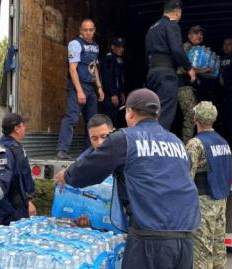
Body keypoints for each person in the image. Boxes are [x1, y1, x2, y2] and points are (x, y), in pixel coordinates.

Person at [55, 88, 200, 269]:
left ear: (129, 112)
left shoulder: (125, 138)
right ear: (157, 114)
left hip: (150, 239)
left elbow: (90, 169)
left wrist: (67, 176)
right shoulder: (176, 142)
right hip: (185, 239)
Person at [185, 101, 232, 269]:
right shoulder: (222, 142)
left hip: (203, 202)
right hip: (220, 200)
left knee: (201, 251)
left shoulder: (195, 144)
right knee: (218, 246)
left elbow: (187, 178)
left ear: (195, 118)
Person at [56, 18, 105, 160]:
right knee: (71, 117)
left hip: (91, 86)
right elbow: (72, 69)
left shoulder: (95, 46)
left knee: (92, 120)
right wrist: (79, 91)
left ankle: (89, 151)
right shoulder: (75, 44)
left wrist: (99, 87)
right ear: (80, 31)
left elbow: (94, 67)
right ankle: (62, 150)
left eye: (91, 30)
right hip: (78, 85)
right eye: (85, 30)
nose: (88, 33)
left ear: (94, 30)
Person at [145, 0, 196, 130]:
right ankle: (160, 146)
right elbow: (177, 50)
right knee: (165, 113)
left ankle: (150, 144)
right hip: (165, 74)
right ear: (177, 12)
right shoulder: (172, 25)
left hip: (152, 73)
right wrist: (189, 67)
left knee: (153, 112)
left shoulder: (152, 28)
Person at [177, 25, 211, 143]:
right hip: (183, 86)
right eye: (196, 33)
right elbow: (182, 69)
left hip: (189, 86)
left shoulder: (197, 51)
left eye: (201, 34)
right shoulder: (187, 47)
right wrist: (202, 70)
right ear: (189, 35)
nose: (199, 36)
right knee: (191, 115)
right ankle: (186, 145)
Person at [100, 37, 126, 127]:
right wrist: (113, 94)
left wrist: (121, 92)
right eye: (118, 47)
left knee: (114, 119)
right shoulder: (109, 58)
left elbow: (119, 78)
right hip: (109, 95)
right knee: (108, 119)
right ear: (112, 47)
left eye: (122, 47)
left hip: (116, 94)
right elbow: (107, 78)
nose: (121, 49)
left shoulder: (119, 59)